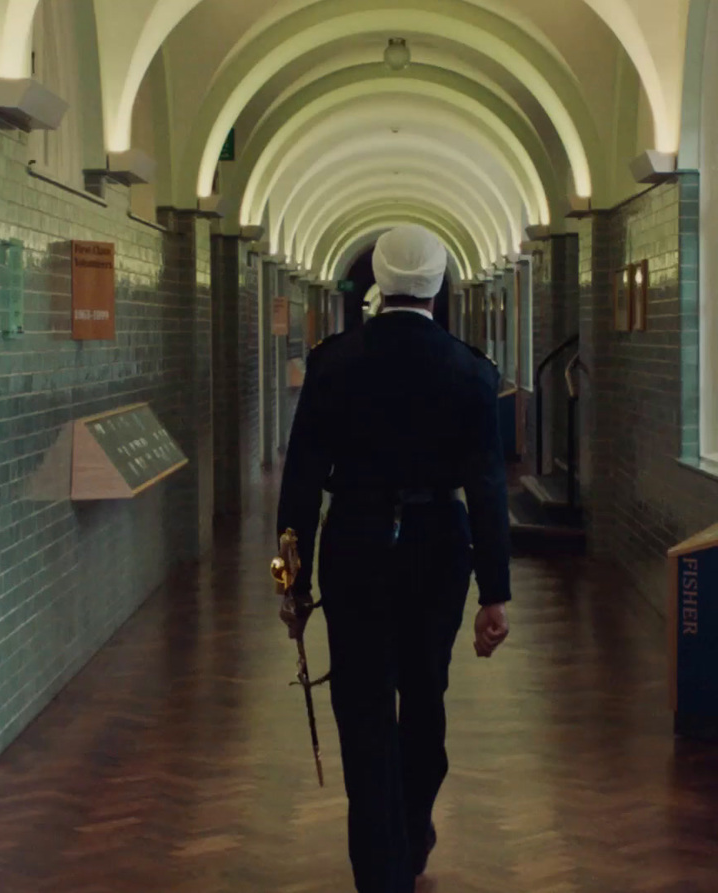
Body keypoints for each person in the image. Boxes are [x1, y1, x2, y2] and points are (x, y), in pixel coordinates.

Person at [275, 225, 512, 893]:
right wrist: (495, 591)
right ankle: (411, 826)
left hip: (354, 540)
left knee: (363, 701)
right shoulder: (470, 371)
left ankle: (382, 867)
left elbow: (300, 477)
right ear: (438, 286)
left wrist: (290, 581)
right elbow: (488, 486)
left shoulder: (334, 362)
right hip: (440, 545)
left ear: (379, 283)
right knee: (425, 689)